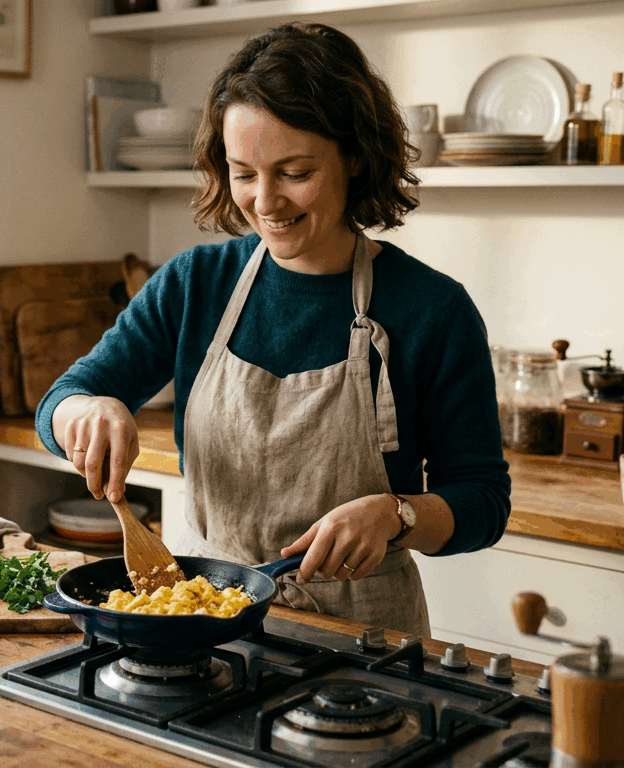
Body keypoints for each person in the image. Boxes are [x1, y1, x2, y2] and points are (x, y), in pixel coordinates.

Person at [35, 22, 510, 636]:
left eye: (293, 172)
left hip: (362, 637)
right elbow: (60, 402)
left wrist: (398, 514)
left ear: (356, 158)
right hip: (204, 615)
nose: (265, 201)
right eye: (243, 173)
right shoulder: (195, 284)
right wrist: (88, 410)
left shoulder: (432, 308)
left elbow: (482, 500)